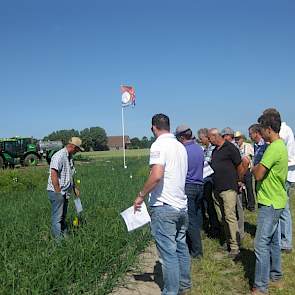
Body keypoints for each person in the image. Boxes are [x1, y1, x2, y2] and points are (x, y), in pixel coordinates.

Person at [133, 114, 191, 295]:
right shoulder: (180, 146)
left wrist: (141, 195)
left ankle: (171, 291)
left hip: (164, 206)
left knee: (168, 255)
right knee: (181, 247)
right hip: (182, 206)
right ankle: (184, 285)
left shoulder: (158, 145)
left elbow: (157, 175)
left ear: (153, 128)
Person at [251, 112, 288, 295]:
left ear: (268, 129)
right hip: (277, 199)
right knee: (273, 241)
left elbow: (258, 174)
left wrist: (253, 167)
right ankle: (276, 275)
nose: (260, 133)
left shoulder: (273, 148)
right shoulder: (280, 145)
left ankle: (261, 287)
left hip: (270, 202)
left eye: (261, 130)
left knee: (260, 244)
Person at [208, 128, 248, 258]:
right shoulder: (215, 151)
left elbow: (240, 166)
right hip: (217, 188)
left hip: (229, 187)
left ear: (215, 136)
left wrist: (240, 181)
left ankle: (235, 247)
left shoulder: (230, 148)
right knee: (223, 217)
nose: (209, 141)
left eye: (210, 138)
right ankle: (229, 241)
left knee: (230, 216)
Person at [262, 108, 295, 253]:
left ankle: (285, 241)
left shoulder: (281, 132)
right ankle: (281, 239)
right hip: (284, 171)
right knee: (282, 208)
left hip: (284, 173)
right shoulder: (286, 129)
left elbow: (272, 148)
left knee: (283, 208)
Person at [176, 125, 204, 259]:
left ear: (181, 137)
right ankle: (198, 240)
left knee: (190, 219)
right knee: (197, 216)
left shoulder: (183, 150)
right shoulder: (199, 148)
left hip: (189, 186)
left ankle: (196, 251)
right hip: (200, 185)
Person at [47, 137, 84, 239]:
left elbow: (70, 174)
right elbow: (53, 173)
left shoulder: (69, 157)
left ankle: (64, 237)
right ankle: (59, 243)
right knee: (57, 219)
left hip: (65, 192)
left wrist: (74, 188)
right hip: (56, 192)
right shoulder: (59, 156)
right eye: (77, 149)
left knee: (63, 217)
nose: (77, 152)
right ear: (73, 146)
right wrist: (58, 192)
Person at [197, 128, 220, 238]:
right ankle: (211, 225)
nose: (200, 141)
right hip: (206, 179)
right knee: (207, 204)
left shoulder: (211, 149)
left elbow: (206, 161)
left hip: (210, 180)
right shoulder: (206, 148)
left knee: (210, 204)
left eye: (201, 139)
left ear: (207, 137)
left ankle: (216, 228)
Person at [234, 131, 256, 211]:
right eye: (236, 139)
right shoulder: (235, 147)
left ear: (242, 139)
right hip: (239, 171)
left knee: (249, 188)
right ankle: (243, 203)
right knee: (241, 188)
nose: (237, 141)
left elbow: (251, 157)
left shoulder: (248, 146)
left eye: (238, 139)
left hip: (248, 170)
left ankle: (251, 205)